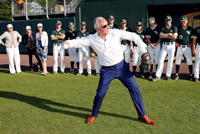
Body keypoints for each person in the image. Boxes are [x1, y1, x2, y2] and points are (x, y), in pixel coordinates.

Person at [62, 17, 155, 125]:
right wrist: (67, 43)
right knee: (100, 94)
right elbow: (78, 42)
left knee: (135, 89)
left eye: (107, 24)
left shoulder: (115, 33)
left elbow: (133, 36)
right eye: (104, 26)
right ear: (97, 29)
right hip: (107, 70)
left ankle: (142, 114)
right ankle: (93, 114)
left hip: (122, 68)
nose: (108, 27)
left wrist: (143, 50)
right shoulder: (92, 38)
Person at [153, 15, 178, 81]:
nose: (168, 21)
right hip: (164, 45)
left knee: (170, 61)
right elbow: (160, 36)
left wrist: (166, 35)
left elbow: (175, 37)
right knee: (161, 60)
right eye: (167, 20)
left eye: (169, 20)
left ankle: (168, 75)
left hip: (172, 45)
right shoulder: (163, 28)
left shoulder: (174, 27)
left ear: (171, 20)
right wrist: (169, 34)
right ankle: (158, 76)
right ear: (165, 21)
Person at [175, 16, 193, 81]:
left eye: (184, 21)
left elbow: (193, 38)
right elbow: (174, 36)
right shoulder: (178, 28)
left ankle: (191, 75)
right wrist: (175, 43)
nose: (183, 22)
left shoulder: (190, 29)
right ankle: (177, 74)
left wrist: (191, 44)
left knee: (189, 61)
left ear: (187, 21)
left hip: (187, 47)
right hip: (180, 47)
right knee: (177, 61)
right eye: (182, 21)